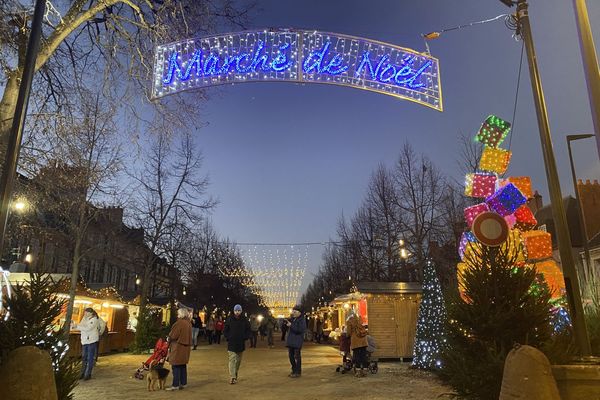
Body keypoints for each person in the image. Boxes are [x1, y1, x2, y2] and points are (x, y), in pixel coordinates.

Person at [223, 304, 251, 384]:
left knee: (238, 361)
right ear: (234, 311)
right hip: (231, 343)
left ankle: (235, 374)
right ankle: (232, 377)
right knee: (232, 360)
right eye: (236, 310)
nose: (237, 312)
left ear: (241, 311)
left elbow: (248, 330)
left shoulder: (245, 320)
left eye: (239, 310)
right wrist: (228, 337)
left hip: (240, 343)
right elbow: (225, 330)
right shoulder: (229, 319)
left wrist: (245, 337)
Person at [166, 308, 193, 390]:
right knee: (182, 365)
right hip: (185, 348)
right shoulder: (189, 323)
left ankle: (175, 385)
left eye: (178, 313)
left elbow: (173, 336)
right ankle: (183, 383)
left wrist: (168, 338)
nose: (177, 315)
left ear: (181, 314)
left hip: (177, 347)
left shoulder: (179, 323)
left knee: (176, 366)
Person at [72, 307, 99, 380]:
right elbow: (81, 325)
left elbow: (88, 328)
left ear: (91, 313)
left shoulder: (94, 319)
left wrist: (77, 326)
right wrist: (75, 326)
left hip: (91, 341)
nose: (85, 314)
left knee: (89, 358)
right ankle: (82, 373)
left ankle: (88, 374)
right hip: (84, 341)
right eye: (85, 312)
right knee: (84, 357)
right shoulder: (85, 318)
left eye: (86, 312)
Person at [285, 305, 307, 378]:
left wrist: (291, 325)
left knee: (297, 357)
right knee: (291, 356)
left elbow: (300, 330)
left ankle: (298, 371)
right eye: (293, 311)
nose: (293, 313)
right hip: (291, 341)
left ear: (299, 312)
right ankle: (294, 370)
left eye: (295, 311)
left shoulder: (302, 320)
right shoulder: (293, 319)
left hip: (297, 341)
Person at [346, 313, 369, 377]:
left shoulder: (349, 321)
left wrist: (347, 335)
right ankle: (365, 371)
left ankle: (358, 372)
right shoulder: (360, 319)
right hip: (363, 341)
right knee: (363, 356)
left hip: (355, 342)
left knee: (357, 357)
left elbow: (348, 332)